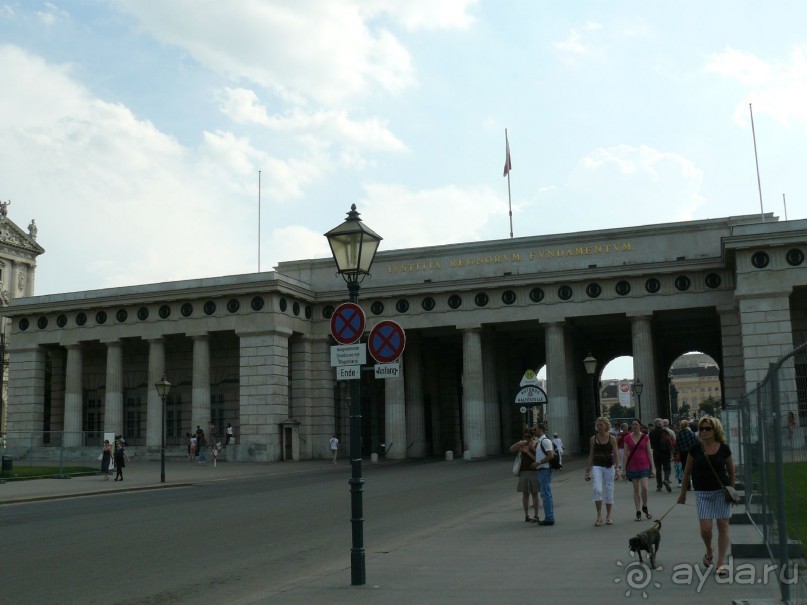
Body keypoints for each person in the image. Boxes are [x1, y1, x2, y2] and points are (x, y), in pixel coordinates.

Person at [677, 416, 736, 578]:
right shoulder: (695, 449)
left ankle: (721, 562)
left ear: (715, 430)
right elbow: (687, 472)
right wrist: (683, 493)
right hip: (702, 493)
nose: (703, 431)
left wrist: (731, 490)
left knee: (723, 525)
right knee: (706, 529)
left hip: (720, 492)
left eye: (707, 428)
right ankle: (709, 549)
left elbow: (731, 472)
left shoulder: (724, 448)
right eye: (701, 429)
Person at [585, 417, 619, 526]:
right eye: (598, 425)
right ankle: (599, 515)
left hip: (609, 466)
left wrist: (617, 469)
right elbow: (591, 455)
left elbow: (616, 454)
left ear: (606, 426)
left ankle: (608, 515)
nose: (599, 427)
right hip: (597, 466)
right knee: (597, 489)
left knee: (609, 490)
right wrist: (587, 470)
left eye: (601, 425)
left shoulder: (612, 438)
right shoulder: (593, 439)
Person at [622, 419, 654, 521]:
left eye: (636, 424)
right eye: (633, 424)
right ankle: (638, 511)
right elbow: (625, 454)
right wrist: (623, 469)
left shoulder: (645, 437)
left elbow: (649, 452)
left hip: (644, 465)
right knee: (636, 490)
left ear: (640, 426)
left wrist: (653, 468)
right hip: (632, 466)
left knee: (644, 488)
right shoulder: (627, 438)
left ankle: (645, 506)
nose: (634, 426)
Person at [510, 428, 539, 523]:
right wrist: (519, 443)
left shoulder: (536, 444)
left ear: (532, 436)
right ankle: (526, 515)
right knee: (525, 494)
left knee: (535, 493)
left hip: (534, 471)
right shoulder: (522, 444)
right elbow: (511, 449)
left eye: (529, 437)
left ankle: (536, 515)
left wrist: (528, 451)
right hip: (523, 472)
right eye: (525, 436)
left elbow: (537, 459)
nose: (527, 438)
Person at [532, 423, 555, 526]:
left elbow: (550, 456)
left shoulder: (545, 441)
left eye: (535, 429)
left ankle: (549, 518)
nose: (533, 431)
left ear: (541, 429)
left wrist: (538, 463)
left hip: (545, 470)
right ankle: (548, 516)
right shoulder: (540, 441)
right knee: (545, 494)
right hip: (542, 470)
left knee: (546, 494)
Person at [649, 418, 673, 492]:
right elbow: (670, 441)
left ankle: (659, 486)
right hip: (665, 452)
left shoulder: (651, 432)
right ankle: (666, 480)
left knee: (658, 469)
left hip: (656, 452)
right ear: (661, 424)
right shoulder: (665, 431)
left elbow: (650, 443)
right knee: (667, 468)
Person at [675, 419, 698, 487]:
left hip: (683, 454)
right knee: (693, 469)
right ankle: (695, 483)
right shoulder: (692, 433)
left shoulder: (678, 435)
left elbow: (677, 446)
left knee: (685, 469)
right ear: (687, 425)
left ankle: (688, 485)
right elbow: (696, 443)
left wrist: (677, 453)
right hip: (692, 453)